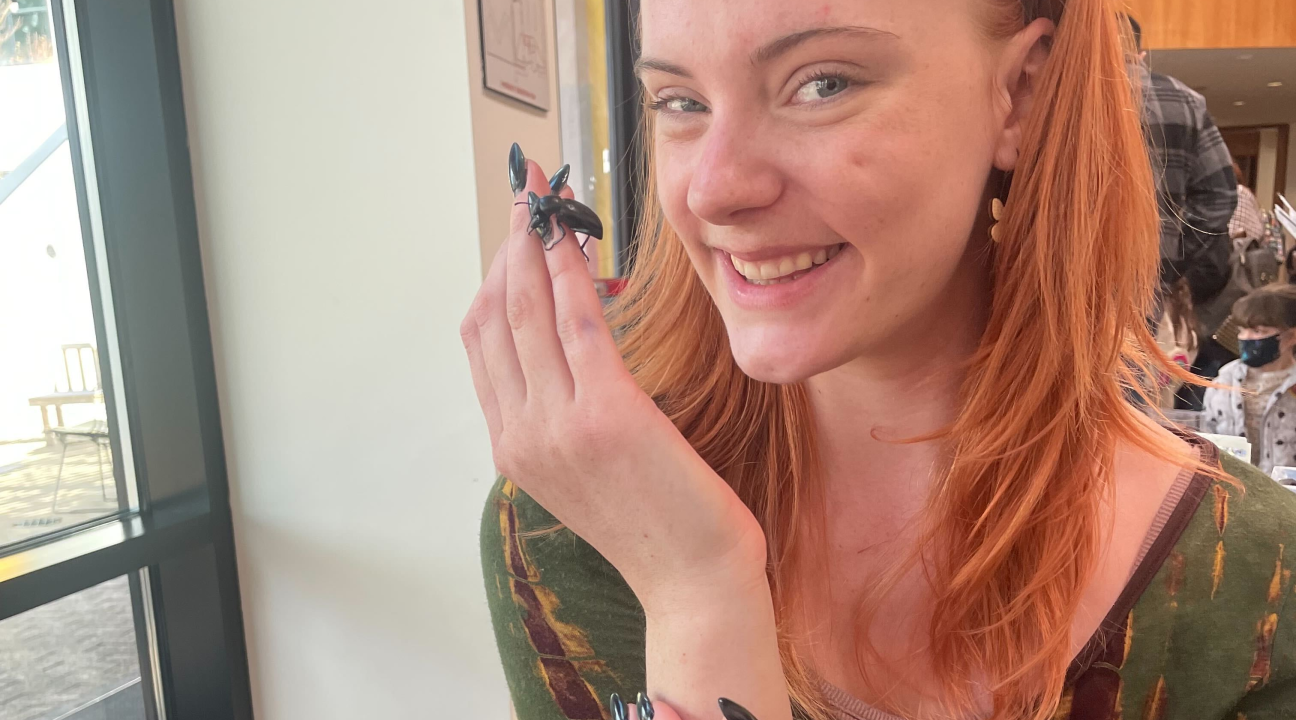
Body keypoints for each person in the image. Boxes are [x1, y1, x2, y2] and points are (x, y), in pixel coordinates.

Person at [461, 2, 1296, 720]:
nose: (714, 189)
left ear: (1021, 95)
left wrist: (699, 596)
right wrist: (695, 591)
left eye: (823, 83)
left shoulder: (1256, 586)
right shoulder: (575, 526)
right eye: (679, 101)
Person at [1127, 17, 1239, 412]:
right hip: (1144, 279)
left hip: (1056, 271)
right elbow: (1220, 194)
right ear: (1140, 52)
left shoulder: (1055, 91)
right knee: (1129, 398)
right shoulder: (1183, 100)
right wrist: (1169, 258)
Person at [1203, 285, 1296, 474]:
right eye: (1242, 330)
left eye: (1258, 331)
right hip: (1233, 491)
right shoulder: (1224, 382)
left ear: (1291, 336)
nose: (1246, 338)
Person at [1229, 159, 1267, 252]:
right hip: (1255, 257)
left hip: (1238, 257)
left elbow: (1233, 232)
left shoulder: (1238, 193)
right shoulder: (1248, 194)